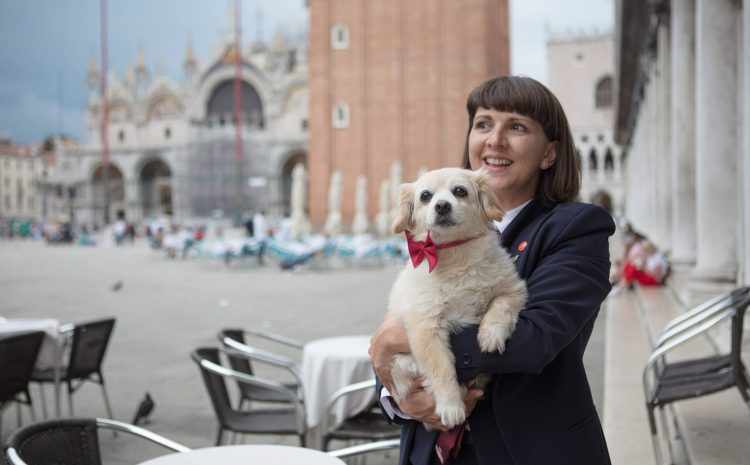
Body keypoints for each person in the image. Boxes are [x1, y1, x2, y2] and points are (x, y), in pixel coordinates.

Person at [369, 75, 615, 465]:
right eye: (483, 124)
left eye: (516, 127)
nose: (495, 141)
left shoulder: (577, 228)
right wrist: (395, 391)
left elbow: (534, 340)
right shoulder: (430, 232)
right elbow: (396, 334)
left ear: (549, 154)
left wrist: (404, 339)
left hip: (525, 453)